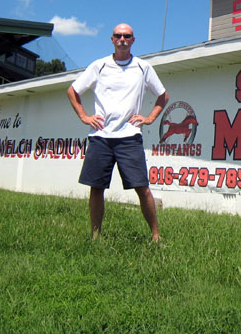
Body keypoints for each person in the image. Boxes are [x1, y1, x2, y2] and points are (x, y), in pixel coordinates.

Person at [67, 23, 169, 241]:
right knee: (96, 188)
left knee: (142, 188)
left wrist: (150, 118)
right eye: (118, 35)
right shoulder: (99, 66)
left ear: (133, 40)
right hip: (101, 137)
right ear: (112, 39)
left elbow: (163, 96)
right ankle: (95, 236)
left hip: (129, 137)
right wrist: (84, 117)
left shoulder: (143, 67)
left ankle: (156, 235)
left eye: (127, 36)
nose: (122, 39)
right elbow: (73, 91)